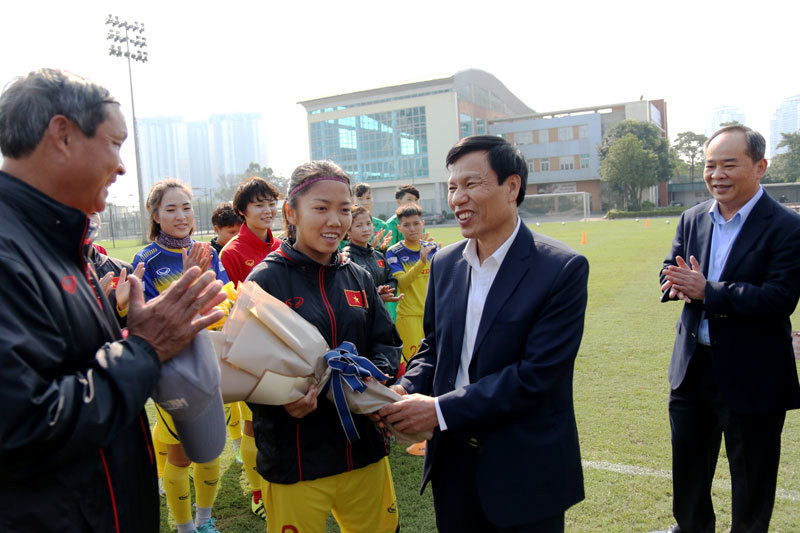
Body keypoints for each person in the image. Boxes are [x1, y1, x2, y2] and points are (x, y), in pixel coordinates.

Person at [0, 68, 226, 532]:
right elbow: (22, 425)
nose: (123, 167)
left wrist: (133, 333)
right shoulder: (10, 249)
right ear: (62, 134)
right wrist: (144, 348)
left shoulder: (60, 241)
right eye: (115, 143)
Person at [378, 135, 588, 532]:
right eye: (453, 187)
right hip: (453, 463)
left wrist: (439, 410)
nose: (458, 198)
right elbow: (435, 347)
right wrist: (405, 388)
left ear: (512, 187)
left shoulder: (561, 269)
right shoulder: (445, 263)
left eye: (471, 184)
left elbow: (537, 375)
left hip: (523, 466)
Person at [247, 160, 402, 533]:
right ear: (291, 213)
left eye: (344, 209)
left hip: (362, 449)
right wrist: (280, 401)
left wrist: (372, 376)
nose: (335, 220)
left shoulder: (358, 276)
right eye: (321, 208)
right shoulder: (265, 281)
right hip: (295, 457)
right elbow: (245, 368)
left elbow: (386, 341)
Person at [659, 125, 800, 533]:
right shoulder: (692, 218)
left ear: (760, 167)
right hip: (692, 369)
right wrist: (672, 283)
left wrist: (708, 291)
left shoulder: (787, 227)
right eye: (710, 165)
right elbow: (671, 267)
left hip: (753, 371)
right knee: (688, 469)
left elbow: (779, 297)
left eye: (729, 165)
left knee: (753, 478)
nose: (716, 175)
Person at [132, 179, 229, 533]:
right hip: (172, 370)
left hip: (210, 362)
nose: (181, 216)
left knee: (211, 448)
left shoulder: (209, 252)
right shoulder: (146, 260)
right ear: (155, 215)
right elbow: (145, 319)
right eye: (171, 209)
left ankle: (205, 520)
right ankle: (185, 526)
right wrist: (187, 283)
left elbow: (225, 299)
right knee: (181, 454)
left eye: (186, 207)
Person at [218, 176, 282, 520]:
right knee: (252, 425)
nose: (267, 210)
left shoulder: (283, 245)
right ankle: (258, 493)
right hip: (248, 349)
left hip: (285, 346)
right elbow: (229, 308)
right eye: (259, 204)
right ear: (242, 211)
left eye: (271, 203)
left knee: (281, 417)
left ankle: (279, 482)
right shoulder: (232, 252)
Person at [385, 203, 437, 377]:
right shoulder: (394, 252)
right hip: (409, 318)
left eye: (416, 223)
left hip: (433, 315)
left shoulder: (433, 248)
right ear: (400, 228)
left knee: (436, 362)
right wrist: (421, 262)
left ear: (423, 224)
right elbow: (402, 283)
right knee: (414, 367)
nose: (412, 229)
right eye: (406, 225)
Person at [342, 205, 402, 306]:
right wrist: (376, 295)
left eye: (368, 224)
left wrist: (386, 290)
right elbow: (347, 292)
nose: (365, 229)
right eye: (359, 225)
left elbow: (391, 279)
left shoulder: (378, 256)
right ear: (348, 230)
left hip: (379, 312)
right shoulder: (346, 259)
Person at [384, 183, 421, 248]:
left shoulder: (419, 220)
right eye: (409, 199)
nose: (414, 203)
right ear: (399, 201)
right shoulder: (391, 223)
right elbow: (391, 248)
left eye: (416, 200)